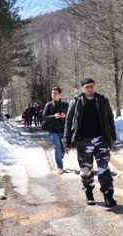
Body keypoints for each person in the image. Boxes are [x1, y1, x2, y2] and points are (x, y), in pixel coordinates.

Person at [64, 78, 118, 207]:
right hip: (84, 141)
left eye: (92, 86)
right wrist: (67, 141)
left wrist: (112, 136)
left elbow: (110, 118)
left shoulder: (102, 101)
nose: (90, 89)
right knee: (86, 171)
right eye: (87, 87)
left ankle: (108, 195)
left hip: (101, 140)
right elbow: (68, 121)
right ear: (82, 89)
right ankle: (89, 193)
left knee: (104, 168)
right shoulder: (76, 102)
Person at [43, 87, 70, 174]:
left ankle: (59, 158)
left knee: (63, 150)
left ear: (60, 94)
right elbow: (44, 118)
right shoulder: (48, 105)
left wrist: (65, 116)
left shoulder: (66, 105)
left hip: (64, 130)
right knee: (57, 149)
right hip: (53, 131)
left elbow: (71, 117)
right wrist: (54, 116)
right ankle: (60, 166)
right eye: (52, 93)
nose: (53, 94)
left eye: (55, 93)